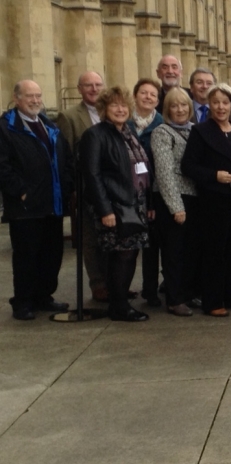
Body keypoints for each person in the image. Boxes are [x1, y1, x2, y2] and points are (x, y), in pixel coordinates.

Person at [181, 83, 231, 317]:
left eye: (225, 102)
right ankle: (213, 300)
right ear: (209, 105)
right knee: (215, 251)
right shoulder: (201, 131)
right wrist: (215, 175)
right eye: (215, 102)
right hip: (214, 200)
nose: (220, 107)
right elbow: (188, 166)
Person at [80, 86, 154, 322]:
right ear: (103, 109)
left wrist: (148, 203)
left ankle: (119, 299)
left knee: (129, 254)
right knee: (121, 255)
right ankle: (119, 306)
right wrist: (105, 210)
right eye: (114, 105)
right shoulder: (96, 135)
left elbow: (142, 170)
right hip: (115, 206)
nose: (120, 109)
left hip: (136, 204)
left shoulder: (128, 132)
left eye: (124, 105)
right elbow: (92, 175)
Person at [0, 80, 73, 320]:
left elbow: (66, 158)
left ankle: (44, 296)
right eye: (29, 96)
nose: (35, 100)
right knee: (26, 257)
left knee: (51, 255)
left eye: (38, 95)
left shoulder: (49, 125)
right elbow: (3, 167)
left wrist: (67, 186)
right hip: (26, 207)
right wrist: (21, 191)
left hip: (53, 203)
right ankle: (22, 302)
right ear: (16, 98)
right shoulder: (6, 128)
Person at [56, 71, 109, 301]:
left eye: (98, 84)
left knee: (111, 237)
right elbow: (65, 155)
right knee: (91, 239)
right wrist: (73, 190)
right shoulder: (68, 116)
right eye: (88, 85)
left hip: (113, 187)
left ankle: (115, 281)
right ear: (79, 89)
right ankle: (98, 284)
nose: (94, 89)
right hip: (87, 188)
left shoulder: (112, 111)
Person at [150, 88, 199, 316]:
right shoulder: (162, 132)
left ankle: (188, 293)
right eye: (174, 106)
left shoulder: (195, 130)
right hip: (173, 199)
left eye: (183, 105)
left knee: (190, 249)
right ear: (167, 109)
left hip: (195, 198)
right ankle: (175, 298)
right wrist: (176, 206)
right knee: (174, 251)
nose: (180, 110)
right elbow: (164, 172)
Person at [128, 79, 165, 307]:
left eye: (153, 95)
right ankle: (121, 289)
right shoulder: (124, 123)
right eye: (144, 93)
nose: (148, 97)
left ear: (158, 100)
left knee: (152, 245)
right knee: (128, 246)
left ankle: (150, 290)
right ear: (135, 95)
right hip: (128, 193)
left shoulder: (161, 124)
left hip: (153, 192)